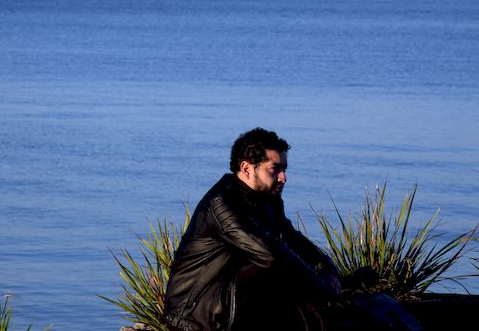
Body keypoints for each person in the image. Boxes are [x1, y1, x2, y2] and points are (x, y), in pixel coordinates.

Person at [163, 128, 418, 331]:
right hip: (197, 314)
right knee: (274, 267)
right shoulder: (222, 206)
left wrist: (328, 270)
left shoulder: (267, 199)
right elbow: (270, 255)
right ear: (246, 169)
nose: (284, 178)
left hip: (235, 295)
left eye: (284, 169)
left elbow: (293, 239)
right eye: (275, 170)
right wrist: (322, 289)